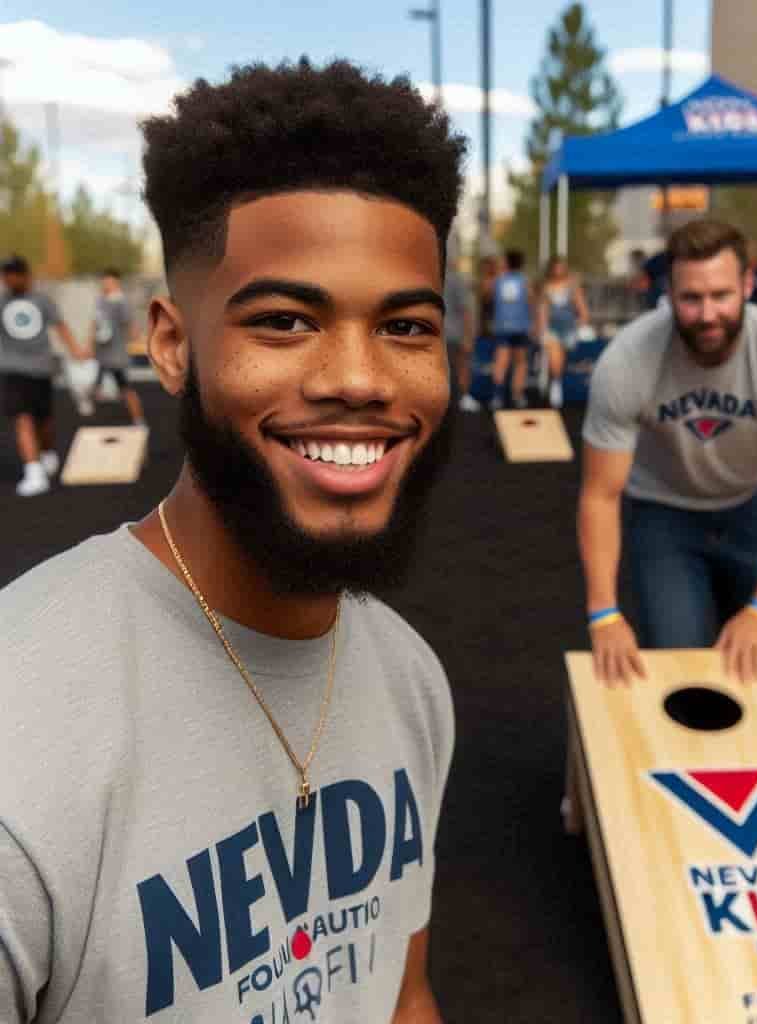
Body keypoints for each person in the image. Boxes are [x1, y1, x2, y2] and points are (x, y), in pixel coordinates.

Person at [0, 58, 464, 1023]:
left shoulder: (412, 681)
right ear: (172, 344)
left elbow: (402, 993)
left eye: (406, 326)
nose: (360, 378)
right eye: (286, 320)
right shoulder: (21, 733)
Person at [578, 218, 757, 688]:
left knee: (752, 661)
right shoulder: (627, 360)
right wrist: (604, 614)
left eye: (721, 295)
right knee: (679, 665)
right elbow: (600, 495)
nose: (707, 314)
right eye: (691, 298)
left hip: (756, 505)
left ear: (747, 284)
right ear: (669, 293)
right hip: (664, 512)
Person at [0, 255, 89, 496]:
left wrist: (76, 352)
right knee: (22, 418)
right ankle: (33, 471)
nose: (9, 278)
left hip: (41, 369)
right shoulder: (1, 301)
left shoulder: (42, 301)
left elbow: (60, 326)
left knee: (45, 420)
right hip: (12, 371)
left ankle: (48, 453)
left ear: (25, 275)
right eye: (6, 274)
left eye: (14, 273)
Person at [87, 267, 147, 425]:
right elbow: (94, 324)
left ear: (116, 283)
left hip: (115, 355)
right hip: (102, 354)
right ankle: (92, 420)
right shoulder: (100, 301)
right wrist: (89, 345)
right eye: (105, 281)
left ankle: (138, 420)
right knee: (94, 388)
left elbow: (130, 325)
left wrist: (139, 339)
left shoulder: (121, 302)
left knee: (124, 387)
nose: (107, 284)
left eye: (110, 281)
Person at [537, 256, 590, 409]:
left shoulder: (572, 286)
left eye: (561, 267)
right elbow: (543, 310)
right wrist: (542, 329)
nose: (558, 270)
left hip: (569, 328)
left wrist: (582, 321)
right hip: (553, 328)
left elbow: (581, 306)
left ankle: (559, 382)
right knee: (555, 357)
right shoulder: (546, 287)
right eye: (556, 267)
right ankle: (556, 385)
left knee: (565, 359)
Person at [490, 249, 533, 409]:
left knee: (501, 361)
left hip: (502, 326)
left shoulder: (498, 281)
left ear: (507, 262)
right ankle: (518, 395)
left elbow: (488, 296)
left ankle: (497, 396)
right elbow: (531, 301)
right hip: (521, 326)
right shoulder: (525, 281)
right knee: (520, 363)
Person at [444, 259, 478, 412]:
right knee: (460, 367)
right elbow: (467, 311)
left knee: (455, 368)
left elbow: (466, 311)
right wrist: (468, 336)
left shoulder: (425, 278)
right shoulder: (457, 280)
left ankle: (461, 398)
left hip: (446, 335)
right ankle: (462, 398)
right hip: (452, 335)